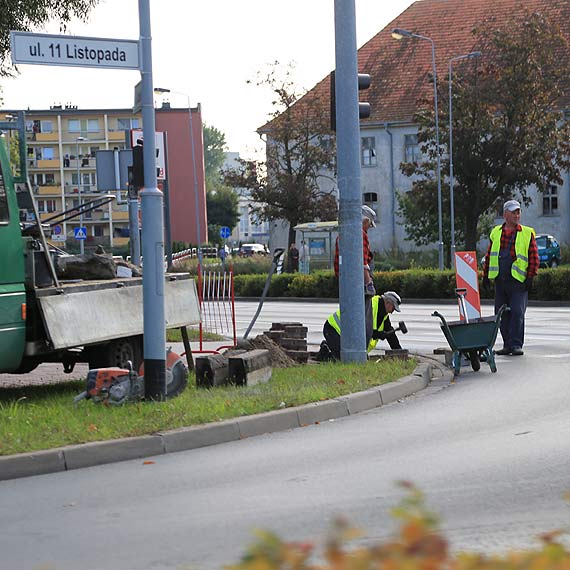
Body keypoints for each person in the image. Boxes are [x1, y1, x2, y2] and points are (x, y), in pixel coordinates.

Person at [482, 199, 539, 356]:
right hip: (500, 280)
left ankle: (516, 344)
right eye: (514, 212)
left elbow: (534, 256)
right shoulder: (496, 233)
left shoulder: (527, 233)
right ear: (505, 214)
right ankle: (507, 344)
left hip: (518, 282)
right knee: (501, 314)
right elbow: (489, 256)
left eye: (518, 212)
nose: (517, 215)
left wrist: (530, 277)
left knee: (517, 312)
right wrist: (485, 275)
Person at [318, 291, 403, 361]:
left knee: (352, 359)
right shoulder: (371, 306)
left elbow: (391, 336)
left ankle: (327, 348)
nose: (392, 312)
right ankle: (325, 352)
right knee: (345, 360)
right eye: (393, 308)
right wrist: (378, 334)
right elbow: (362, 329)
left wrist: (400, 353)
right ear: (387, 302)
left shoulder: (384, 315)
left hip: (345, 335)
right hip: (333, 329)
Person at [334, 204, 377, 296]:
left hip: (344, 281)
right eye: (369, 225)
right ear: (365, 221)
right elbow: (363, 263)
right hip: (358, 282)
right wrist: (369, 283)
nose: (368, 229)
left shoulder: (342, 234)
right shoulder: (360, 235)